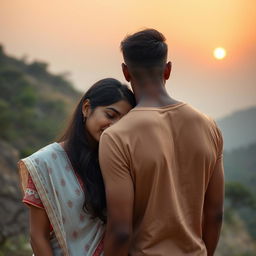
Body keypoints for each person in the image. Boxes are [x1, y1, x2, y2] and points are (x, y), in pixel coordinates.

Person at [99, 29, 224, 256]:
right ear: (168, 70)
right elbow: (214, 214)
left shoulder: (117, 137)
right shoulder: (208, 126)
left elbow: (120, 231)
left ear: (126, 73)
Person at [18, 78, 136, 256]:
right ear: (87, 108)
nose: (114, 128)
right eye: (110, 116)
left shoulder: (122, 164)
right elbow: (38, 236)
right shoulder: (47, 162)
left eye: (123, 122)